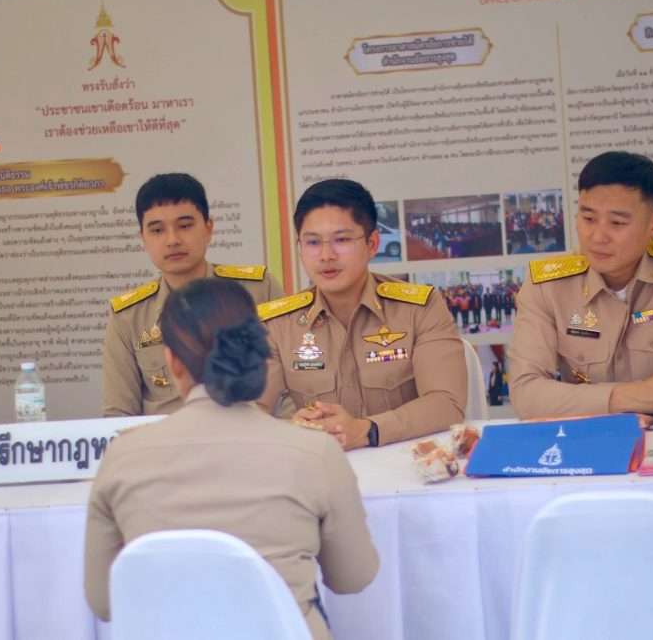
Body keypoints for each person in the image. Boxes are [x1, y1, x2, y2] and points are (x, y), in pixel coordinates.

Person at [85, 279, 378, 639]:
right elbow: (353, 577)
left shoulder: (123, 456)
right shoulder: (315, 452)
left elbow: (104, 600)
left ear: (172, 362)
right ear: (256, 354)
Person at [508, 151, 653, 419]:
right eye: (588, 219)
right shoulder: (548, 285)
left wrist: (587, 401)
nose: (598, 236)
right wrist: (633, 396)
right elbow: (526, 395)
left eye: (617, 223)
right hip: (590, 437)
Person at [256, 178, 467, 449]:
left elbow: (447, 403)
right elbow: (248, 412)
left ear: (372, 243)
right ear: (300, 248)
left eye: (341, 239)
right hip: (321, 465)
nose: (326, 255)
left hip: (406, 464)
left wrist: (367, 430)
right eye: (313, 242)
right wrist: (290, 431)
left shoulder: (419, 308)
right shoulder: (278, 324)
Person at [102, 173, 283, 417]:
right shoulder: (128, 316)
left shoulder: (259, 290)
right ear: (143, 238)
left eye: (185, 226)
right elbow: (119, 413)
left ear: (208, 229)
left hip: (252, 434)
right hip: (168, 440)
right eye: (157, 230)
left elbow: (292, 383)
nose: (172, 240)